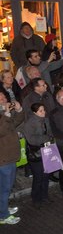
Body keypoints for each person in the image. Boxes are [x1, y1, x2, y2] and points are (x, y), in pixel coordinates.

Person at [22, 102, 53, 208]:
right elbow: (31, 139)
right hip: (36, 154)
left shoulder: (46, 120)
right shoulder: (29, 123)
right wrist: (45, 138)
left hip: (47, 151)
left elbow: (50, 133)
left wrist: (50, 138)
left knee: (46, 175)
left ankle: (44, 196)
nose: (44, 112)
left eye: (44, 110)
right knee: (38, 177)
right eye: (41, 111)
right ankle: (36, 198)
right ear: (35, 112)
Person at [0, 92, 24, 225]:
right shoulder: (3, 115)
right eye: (0, 99)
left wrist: (19, 110)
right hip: (3, 159)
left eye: (4, 97)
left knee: (6, 187)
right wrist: (6, 114)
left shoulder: (4, 114)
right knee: (4, 188)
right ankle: (3, 216)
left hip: (10, 156)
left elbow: (14, 123)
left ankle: (2, 209)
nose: (4, 100)